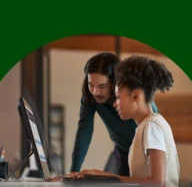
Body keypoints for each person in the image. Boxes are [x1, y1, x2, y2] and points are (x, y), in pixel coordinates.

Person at [72, 55, 180, 187]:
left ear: (135, 96)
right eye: (91, 85)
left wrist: (110, 176)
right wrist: (77, 171)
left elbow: (157, 183)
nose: (115, 104)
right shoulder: (146, 126)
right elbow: (84, 128)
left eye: (118, 97)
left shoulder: (151, 127)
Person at [50, 52, 159, 181]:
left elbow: (157, 179)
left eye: (102, 86)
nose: (96, 92)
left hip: (143, 152)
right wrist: (74, 170)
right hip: (121, 149)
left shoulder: (136, 99)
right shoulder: (90, 96)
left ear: (115, 83)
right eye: (91, 85)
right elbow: (84, 129)